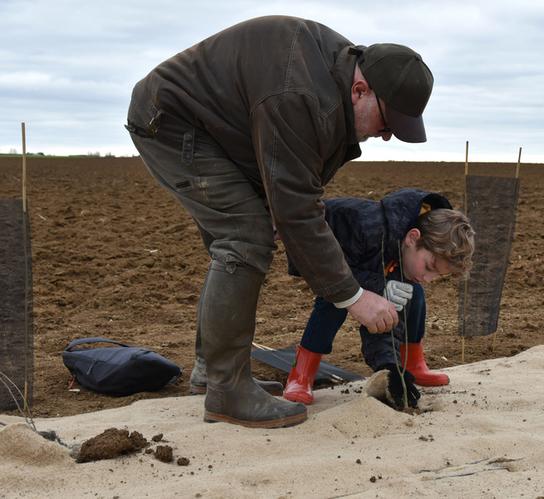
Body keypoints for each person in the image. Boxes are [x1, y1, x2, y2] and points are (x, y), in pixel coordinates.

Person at [125, 16, 434, 429]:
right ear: (361, 90)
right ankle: (226, 389)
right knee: (244, 236)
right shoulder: (300, 95)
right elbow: (298, 212)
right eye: (386, 124)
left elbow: (298, 186)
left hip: (228, 131)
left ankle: (211, 372)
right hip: (174, 120)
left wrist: (282, 210)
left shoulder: (337, 78)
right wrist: (355, 297)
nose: (386, 137)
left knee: (241, 236)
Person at [282, 189, 475, 407]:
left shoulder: (405, 256)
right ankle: (301, 374)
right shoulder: (364, 226)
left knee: (414, 293)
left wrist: (390, 369)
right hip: (310, 246)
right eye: (430, 267)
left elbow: (386, 319)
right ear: (413, 238)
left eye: (438, 275)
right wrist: (377, 289)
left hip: (357, 269)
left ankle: (412, 363)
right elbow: (335, 275)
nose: (428, 278)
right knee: (334, 302)